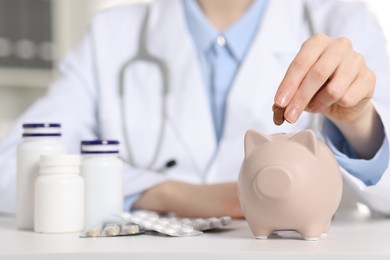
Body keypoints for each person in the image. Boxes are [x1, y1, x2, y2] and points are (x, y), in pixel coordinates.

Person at [0, 0, 390, 218]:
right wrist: (163, 193)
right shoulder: (111, 35)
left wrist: (358, 123)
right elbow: (11, 168)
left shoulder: (344, 23)